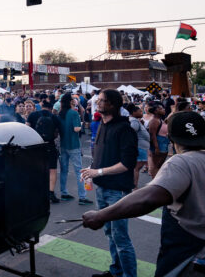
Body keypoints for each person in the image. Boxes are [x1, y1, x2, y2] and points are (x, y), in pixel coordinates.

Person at [83, 111, 205, 276]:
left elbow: (149, 198)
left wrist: (101, 215)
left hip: (197, 262)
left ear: (171, 138)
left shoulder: (181, 162)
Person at [80, 89, 137, 277]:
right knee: (110, 234)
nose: (98, 103)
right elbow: (100, 156)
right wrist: (91, 170)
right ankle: (116, 271)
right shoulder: (102, 125)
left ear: (112, 104)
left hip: (117, 191)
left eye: (102, 101)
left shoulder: (125, 129)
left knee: (121, 238)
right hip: (102, 187)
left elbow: (127, 164)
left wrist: (99, 171)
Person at [58, 93, 92, 205]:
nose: (75, 99)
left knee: (64, 170)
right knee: (79, 171)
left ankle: (64, 192)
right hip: (74, 144)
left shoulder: (61, 113)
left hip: (63, 144)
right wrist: (82, 124)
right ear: (70, 101)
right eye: (73, 98)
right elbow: (77, 129)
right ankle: (82, 197)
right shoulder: (73, 113)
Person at [28, 100, 63, 203]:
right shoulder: (54, 117)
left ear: (41, 106)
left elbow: (27, 128)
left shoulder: (32, 115)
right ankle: (51, 192)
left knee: (37, 169)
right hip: (50, 146)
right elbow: (58, 132)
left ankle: (38, 192)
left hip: (36, 146)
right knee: (52, 170)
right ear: (51, 108)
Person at [127, 104, 150, 188]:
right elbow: (131, 132)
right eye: (140, 111)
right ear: (134, 112)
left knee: (136, 168)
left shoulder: (136, 120)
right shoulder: (134, 121)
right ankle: (134, 187)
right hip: (139, 147)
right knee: (136, 168)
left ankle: (133, 186)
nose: (142, 112)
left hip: (141, 147)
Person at [145, 104, 168, 178]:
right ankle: (154, 181)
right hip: (158, 144)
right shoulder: (154, 121)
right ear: (155, 111)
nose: (163, 110)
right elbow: (153, 135)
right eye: (161, 109)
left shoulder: (160, 119)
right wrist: (156, 147)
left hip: (163, 144)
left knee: (159, 166)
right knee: (155, 166)